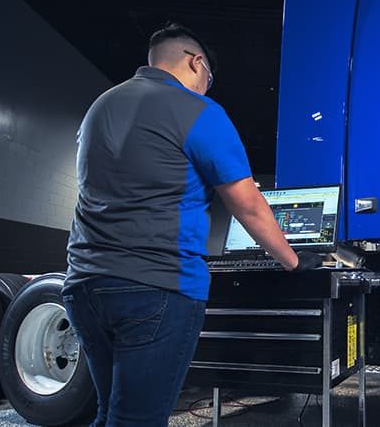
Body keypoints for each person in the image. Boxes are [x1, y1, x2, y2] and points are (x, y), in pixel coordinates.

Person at [62, 23, 322, 426]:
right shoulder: (197, 110)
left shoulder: (101, 106)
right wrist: (293, 260)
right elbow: (249, 206)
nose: (206, 87)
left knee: (109, 411)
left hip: (83, 286)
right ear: (196, 63)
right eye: (208, 79)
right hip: (156, 287)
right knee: (138, 420)